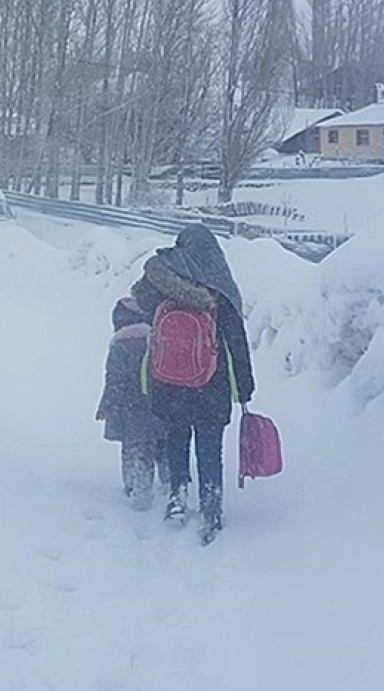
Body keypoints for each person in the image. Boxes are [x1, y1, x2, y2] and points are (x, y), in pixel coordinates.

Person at [130, 225, 255, 545]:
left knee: (176, 439)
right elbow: (236, 342)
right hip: (212, 386)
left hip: (169, 382)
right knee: (209, 446)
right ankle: (211, 507)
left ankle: (177, 497)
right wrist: (244, 387)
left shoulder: (164, 280)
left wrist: (165, 279)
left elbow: (138, 298)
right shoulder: (220, 287)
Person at [96, 297, 169, 510]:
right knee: (163, 448)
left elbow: (114, 380)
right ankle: (170, 486)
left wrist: (106, 404)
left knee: (135, 450)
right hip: (160, 405)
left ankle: (137, 492)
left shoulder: (120, 344)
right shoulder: (157, 339)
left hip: (131, 409)